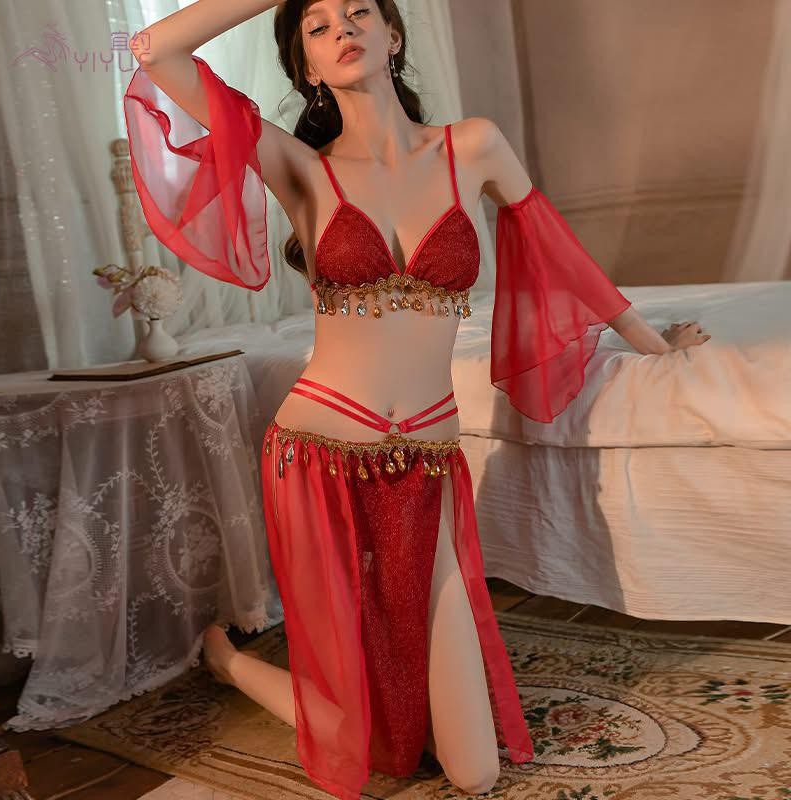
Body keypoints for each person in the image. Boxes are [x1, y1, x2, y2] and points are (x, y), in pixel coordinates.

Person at [123, 2, 710, 797]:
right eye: (318, 26)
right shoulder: (299, 167)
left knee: (473, 770)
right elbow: (157, 48)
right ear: (307, 67)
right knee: (362, 739)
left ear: (393, 35)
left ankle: (264, 667)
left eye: (358, 11)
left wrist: (649, 340)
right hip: (319, 459)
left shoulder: (474, 145)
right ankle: (228, 659)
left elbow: (553, 245)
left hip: (426, 465)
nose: (343, 28)